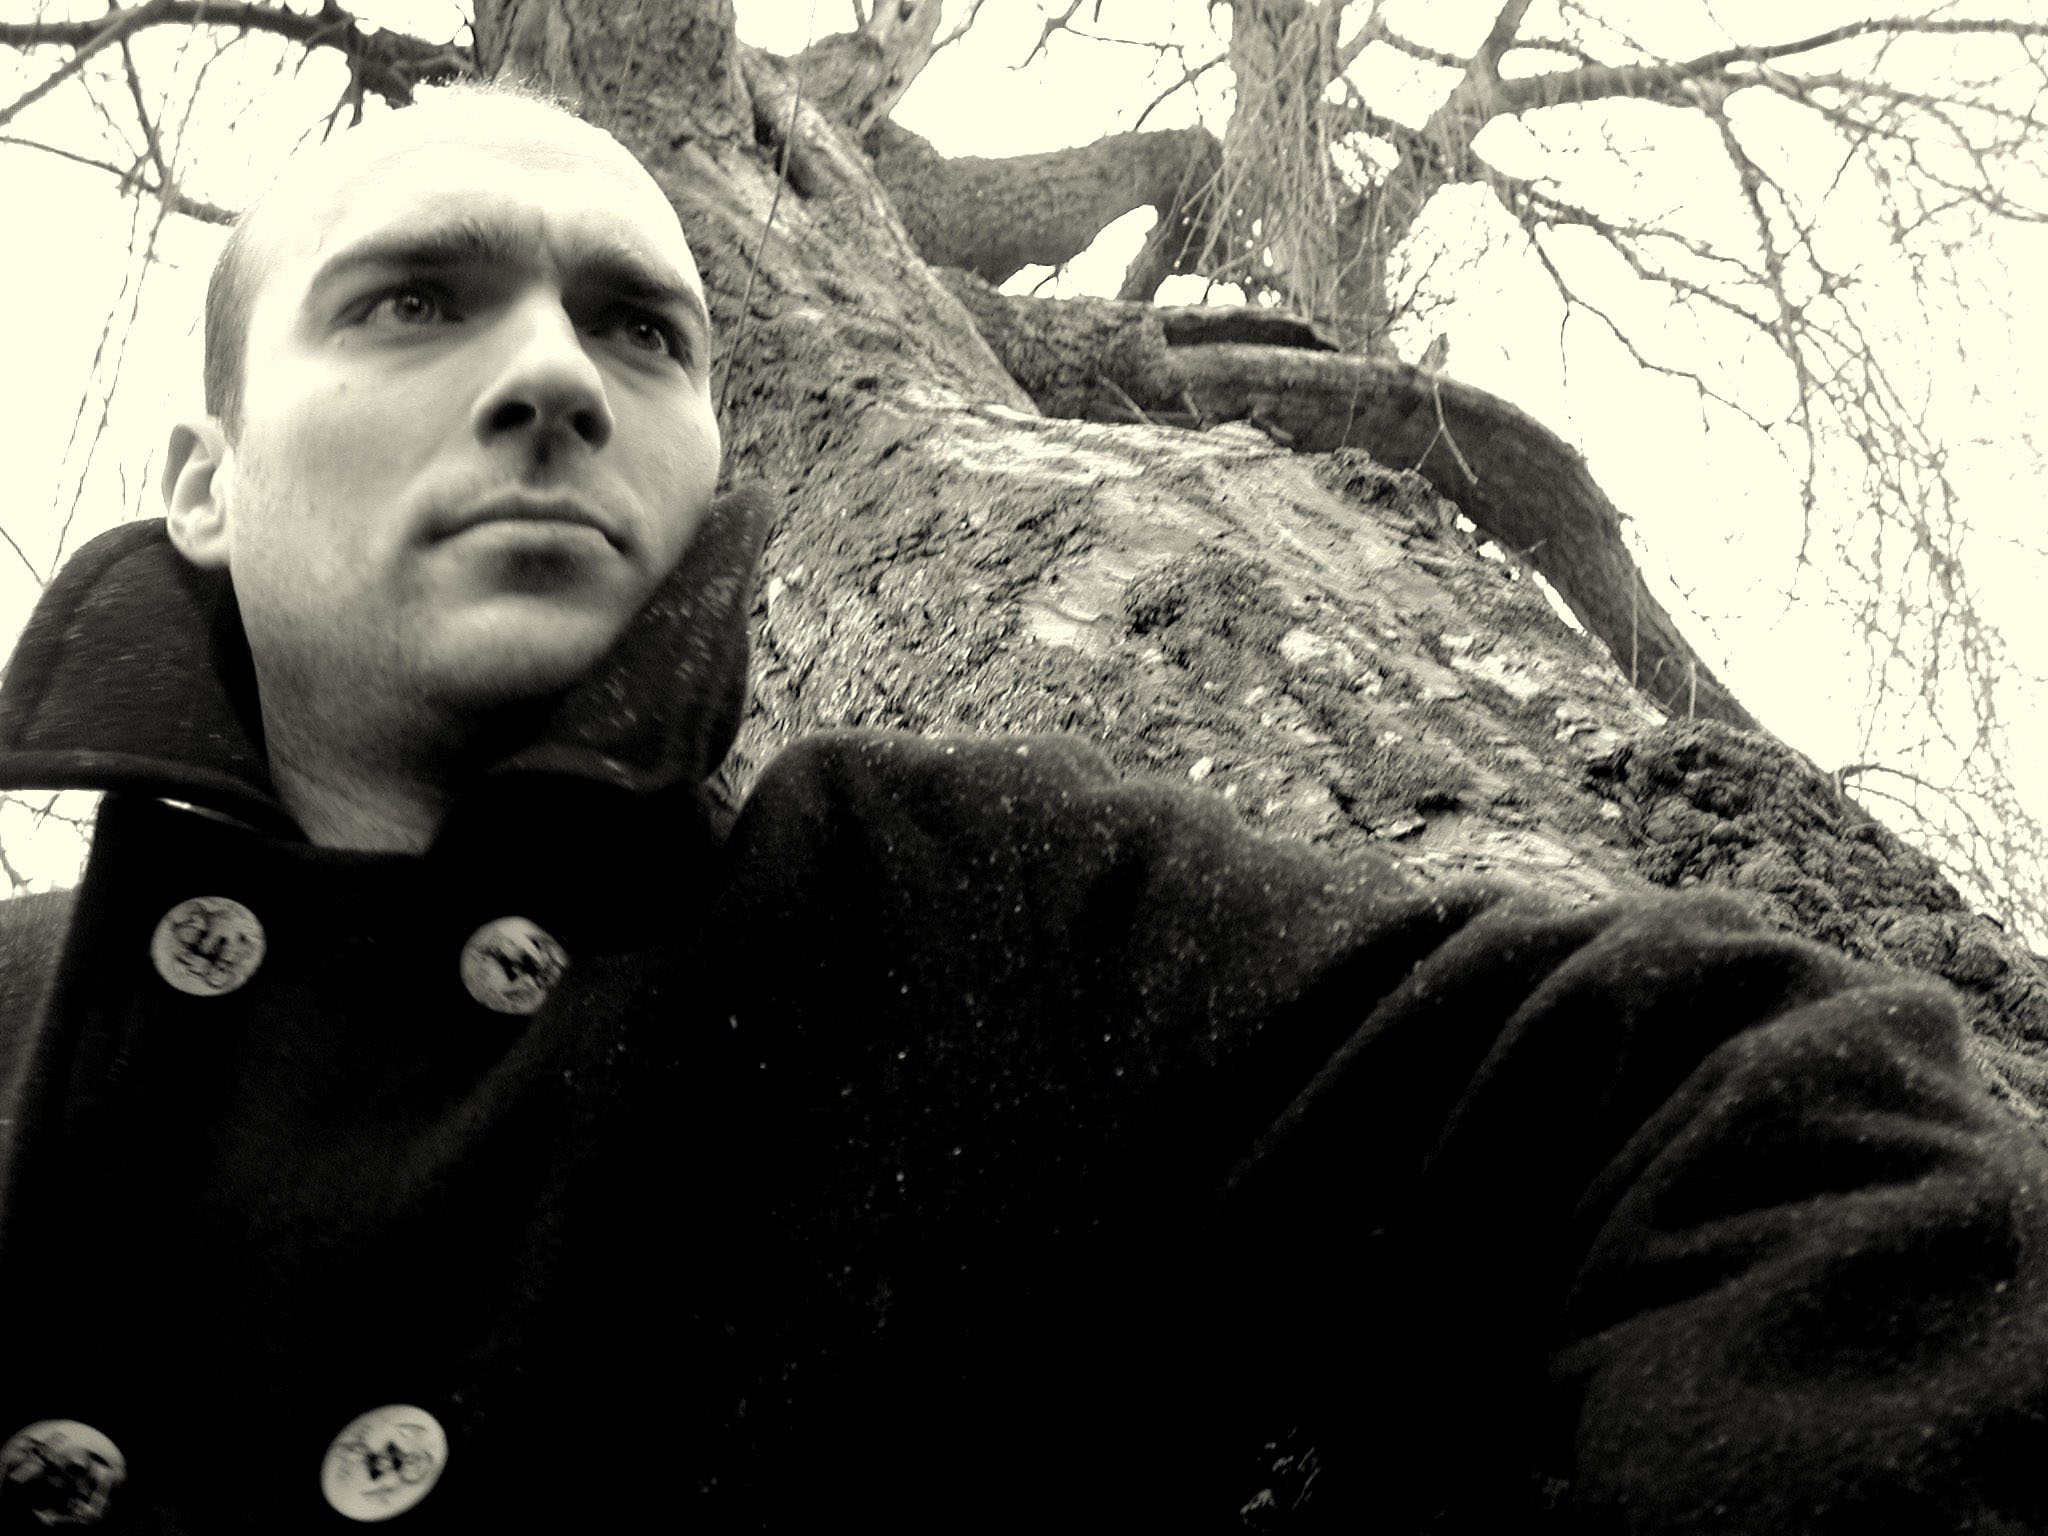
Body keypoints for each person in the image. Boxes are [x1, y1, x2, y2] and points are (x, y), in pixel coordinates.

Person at [0, 80, 2042, 1534]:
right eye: (408, 303)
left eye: (641, 327)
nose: (555, 378)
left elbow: (1755, 1110)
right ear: (204, 480)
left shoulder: (946, 919)